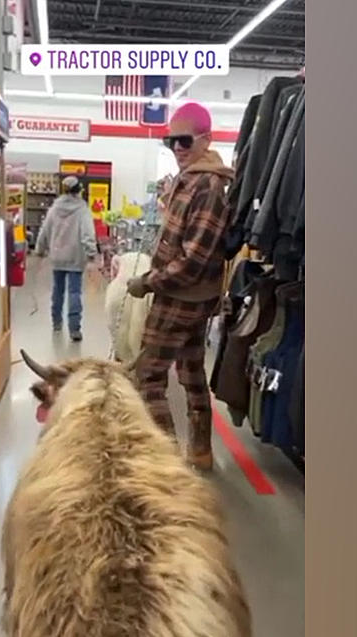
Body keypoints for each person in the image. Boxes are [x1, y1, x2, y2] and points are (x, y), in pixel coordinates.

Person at [126, 102, 235, 471]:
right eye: (170, 140)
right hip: (192, 298)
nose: (177, 148)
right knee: (191, 372)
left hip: (179, 297)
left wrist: (147, 282)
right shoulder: (189, 179)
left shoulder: (208, 185)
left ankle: (165, 465)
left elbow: (193, 260)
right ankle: (200, 453)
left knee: (147, 375)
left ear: (207, 139)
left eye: (185, 140)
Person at [35, 176, 97, 342]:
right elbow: (87, 234)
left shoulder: (54, 208)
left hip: (57, 257)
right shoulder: (82, 209)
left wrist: (40, 251)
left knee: (57, 290)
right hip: (75, 257)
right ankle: (74, 329)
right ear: (79, 191)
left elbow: (45, 230)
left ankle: (56, 323)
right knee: (74, 292)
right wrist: (91, 254)